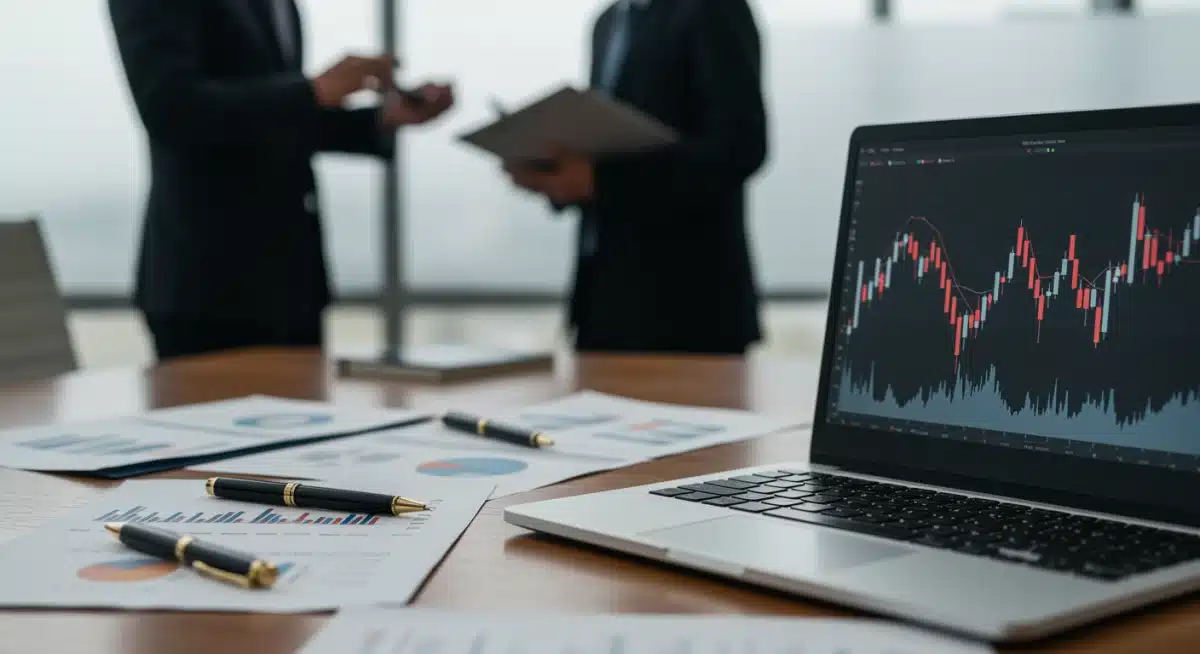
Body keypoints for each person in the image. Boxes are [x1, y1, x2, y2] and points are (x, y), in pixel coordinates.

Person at [108, 0, 453, 359]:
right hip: (208, 284)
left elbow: (276, 125)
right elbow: (169, 109)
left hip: (293, 283)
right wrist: (312, 91)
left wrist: (382, 118)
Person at [505, 0, 768, 356]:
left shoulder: (713, 9)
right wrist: (553, 176)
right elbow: (602, 146)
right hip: (602, 306)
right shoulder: (608, 22)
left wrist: (600, 180)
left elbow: (739, 146)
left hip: (689, 309)